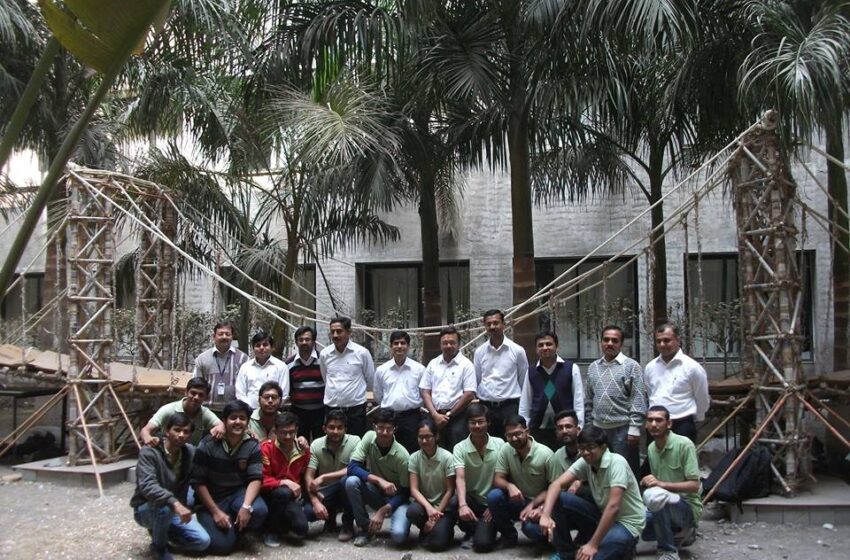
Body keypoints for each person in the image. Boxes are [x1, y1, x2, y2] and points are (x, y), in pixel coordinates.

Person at [540, 426, 646, 560]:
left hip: (626, 522)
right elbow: (556, 484)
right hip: (601, 515)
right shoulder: (585, 462)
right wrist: (545, 515)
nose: (586, 452)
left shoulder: (617, 462)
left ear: (603, 447)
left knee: (593, 556)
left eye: (591, 447)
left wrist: (592, 544)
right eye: (582, 448)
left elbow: (614, 507)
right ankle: (566, 554)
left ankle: (625, 547)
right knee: (559, 497)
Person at [191, 399, 269, 555]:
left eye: (242, 418)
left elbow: (255, 478)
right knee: (223, 547)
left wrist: (246, 506)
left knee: (258, 510)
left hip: (236, 494)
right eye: (233, 418)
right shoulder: (208, 444)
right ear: (224, 421)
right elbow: (198, 482)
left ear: (247, 422)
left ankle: (235, 525)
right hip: (212, 499)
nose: (238, 422)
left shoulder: (252, 444)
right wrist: (215, 512)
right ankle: (216, 524)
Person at [131, 412, 210, 560]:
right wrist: (176, 504)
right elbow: (148, 486)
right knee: (165, 508)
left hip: (173, 509)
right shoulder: (150, 452)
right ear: (167, 431)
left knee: (202, 542)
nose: (181, 435)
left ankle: (161, 533)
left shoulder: (190, 453)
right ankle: (159, 548)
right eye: (177, 430)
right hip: (147, 507)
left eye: (186, 432)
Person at [640, 406, 702, 560]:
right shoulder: (651, 448)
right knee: (632, 516)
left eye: (659, 420)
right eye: (650, 420)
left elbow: (694, 485)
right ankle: (676, 534)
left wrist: (661, 484)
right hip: (663, 504)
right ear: (646, 425)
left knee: (658, 496)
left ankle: (668, 551)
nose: (654, 424)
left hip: (686, 507)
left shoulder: (684, 444)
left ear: (669, 424)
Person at [585, 325, 647, 474]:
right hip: (598, 429)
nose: (610, 343)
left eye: (615, 340)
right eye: (606, 340)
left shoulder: (631, 366)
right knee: (601, 470)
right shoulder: (593, 367)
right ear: (601, 342)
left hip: (623, 430)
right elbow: (589, 398)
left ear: (621, 343)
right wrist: (589, 425)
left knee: (625, 471)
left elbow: (638, 398)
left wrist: (634, 427)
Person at [487, 414, 556, 548]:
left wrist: (538, 506)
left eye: (518, 434)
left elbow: (554, 487)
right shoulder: (506, 449)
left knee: (531, 529)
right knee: (494, 497)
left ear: (527, 431)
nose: (514, 438)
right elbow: (498, 479)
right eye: (509, 435)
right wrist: (510, 486)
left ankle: (549, 538)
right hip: (518, 499)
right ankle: (509, 537)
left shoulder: (545, 454)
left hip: (540, 504)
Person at [344, 408, 411, 547]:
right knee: (351, 481)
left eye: (389, 429)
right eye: (380, 428)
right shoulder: (369, 437)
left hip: (397, 500)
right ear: (374, 427)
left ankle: (389, 519)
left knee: (398, 536)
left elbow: (406, 492)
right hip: (377, 492)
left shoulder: (402, 456)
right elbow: (352, 467)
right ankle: (365, 529)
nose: (384, 433)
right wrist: (378, 480)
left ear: (395, 429)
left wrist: (382, 511)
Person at [644, 323, 710, 442]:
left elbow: (702, 397)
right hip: (655, 424)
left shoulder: (692, 367)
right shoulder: (650, 367)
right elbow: (650, 394)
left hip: (682, 424)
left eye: (667, 340)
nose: (662, 345)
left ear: (677, 341)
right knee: (655, 460)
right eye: (658, 341)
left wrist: (698, 418)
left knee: (682, 460)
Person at [519, 330, 584, 449]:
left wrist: (579, 426)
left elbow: (578, 400)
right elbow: (525, 402)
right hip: (538, 429)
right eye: (540, 345)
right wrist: (524, 426)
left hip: (565, 429)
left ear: (557, 346)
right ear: (536, 349)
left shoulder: (571, 368)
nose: (545, 347)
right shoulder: (532, 371)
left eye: (549, 344)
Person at [305, 409, 361, 541]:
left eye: (339, 428)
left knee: (348, 481)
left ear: (345, 429)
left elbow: (353, 468)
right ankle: (329, 520)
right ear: (324, 428)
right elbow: (309, 475)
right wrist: (314, 501)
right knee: (307, 513)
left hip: (345, 488)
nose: (335, 431)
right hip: (325, 492)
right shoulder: (316, 444)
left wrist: (324, 477)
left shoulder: (355, 441)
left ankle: (347, 524)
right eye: (331, 427)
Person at [452, 403, 502, 552]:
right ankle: (471, 530)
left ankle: (483, 531)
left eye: (481, 421)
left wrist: (494, 506)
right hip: (472, 500)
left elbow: (504, 476)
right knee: (455, 501)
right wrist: (463, 505)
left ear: (488, 423)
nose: (477, 426)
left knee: (483, 545)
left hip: (492, 501)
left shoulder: (500, 444)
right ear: (467, 424)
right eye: (473, 422)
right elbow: (459, 478)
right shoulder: (460, 447)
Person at [474, 309, 529, 440]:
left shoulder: (517, 351)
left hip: (509, 407)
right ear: (485, 327)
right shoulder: (479, 352)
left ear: (503, 324)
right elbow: (477, 379)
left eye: (496, 323)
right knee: (488, 444)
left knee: (511, 443)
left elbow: (523, 379)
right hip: (486, 407)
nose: (492, 327)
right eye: (488, 324)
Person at [420, 326, 477, 450]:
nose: (448, 345)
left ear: (458, 344)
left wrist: (449, 415)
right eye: (445, 343)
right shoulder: (433, 364)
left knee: (457, 452)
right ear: (440, 345)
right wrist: (435, 415)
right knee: (433, 452)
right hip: (434, 416)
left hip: (457, 418)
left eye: (452, 342)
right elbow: (425, 391)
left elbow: (469, 394)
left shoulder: (466, 365)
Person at [259, 411, 311, 547]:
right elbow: (261, 479)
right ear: (275, 431)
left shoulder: (302, 449)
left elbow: (306, 474)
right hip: (270, 494)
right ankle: (271, 530)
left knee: (302, 529)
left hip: (292, 497)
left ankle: (282, 522)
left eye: (291, 432)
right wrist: (284, 482)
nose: (288, 436)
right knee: (283, 492)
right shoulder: (266, 449)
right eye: (283, 432)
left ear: (297, 430)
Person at [319, 316, 376, 437]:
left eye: (339, 331)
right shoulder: (325, 354)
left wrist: (368, 400)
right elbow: (326, 378)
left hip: (355, 410)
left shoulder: (362, 353)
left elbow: (371, 380)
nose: (335, 335)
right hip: (332, 408)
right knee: (333, 443)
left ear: (349, 332)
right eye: (332, 332)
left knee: (356, 445)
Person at [407, 418, 457, 551]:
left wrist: (435, 515)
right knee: (412, 511)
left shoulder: (447, 457)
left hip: (443, 508)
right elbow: (414, 489)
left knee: (437, 545)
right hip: (424, 506)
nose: (424, 441)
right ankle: (426, 529)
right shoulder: (414, 458)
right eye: (421, 437)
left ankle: (440, 530)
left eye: (428, 437)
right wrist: (429, 509)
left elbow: (450, 490)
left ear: (437, 436)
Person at [374, 330, 426, 453]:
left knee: (412, 451)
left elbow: (423, 394)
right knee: (387, 451)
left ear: (408, 346)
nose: (399, 346)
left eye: (402, 343)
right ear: (391, 346)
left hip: (411, 417)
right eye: (396, 343)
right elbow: (378, 395)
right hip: (388, 417)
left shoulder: (419, 369)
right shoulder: (382, 370)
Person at [140, 378, 223, 447]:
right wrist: (148, 438)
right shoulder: (168, 410)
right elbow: (145, 430)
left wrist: (219, 428)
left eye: (200, 395)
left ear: (206, 398)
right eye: (193, 393)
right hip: (167, 453)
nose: (196, 397)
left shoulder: (205, 413)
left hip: (190, 456)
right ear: (186, 392)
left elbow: (220, 424)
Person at [192, 321, 248, 413]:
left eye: (227, 334)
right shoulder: (202, 358)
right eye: (221, 334)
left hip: (234, 410)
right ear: (214, 336)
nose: (224, 337)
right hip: (207, 409)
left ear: (232, 337)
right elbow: (196, 384)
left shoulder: (243, 358)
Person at [287, 325, 325, 440]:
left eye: (307, 339)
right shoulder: (289, 364)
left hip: (321, 411)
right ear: (296, 342)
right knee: (300, 445)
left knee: (320, 444)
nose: (304, 342)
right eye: (300, 339)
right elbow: (289, 388)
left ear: (314, 341)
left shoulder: (324, 360)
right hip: (298, 412)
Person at [235, 330, 289, 410]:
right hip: (250, 412)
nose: (261, 348)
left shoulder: (281, 366)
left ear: (272, 347)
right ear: (253, 348)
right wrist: (250, 409)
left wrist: (271, 408)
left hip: (273, 412)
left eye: (265, 345)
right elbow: (240, 393)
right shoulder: (245, 367)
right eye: (258, 345)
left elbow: (284, 394)